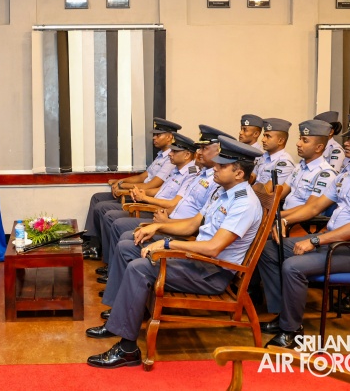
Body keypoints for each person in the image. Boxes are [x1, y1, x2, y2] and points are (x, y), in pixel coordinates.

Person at [85, 136, 263, 368]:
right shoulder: (222, 192)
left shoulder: (244, 203)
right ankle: (117, 320)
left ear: (239, 173)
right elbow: (191, 226)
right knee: (129, 246)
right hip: (198, 262)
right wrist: (158, 227)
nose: (215, 168)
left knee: (140, 267)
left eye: (222, 166)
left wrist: (167, 244)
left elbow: (213, 248)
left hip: (212, 272)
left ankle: (128, 349)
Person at [258, 115, 350, 349]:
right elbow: (314, 207)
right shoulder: (345, 175)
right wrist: (284, 220)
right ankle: (283, 316)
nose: (347, 142)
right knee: (268, 249)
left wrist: (315, 240)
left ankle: (292, 331)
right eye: (348, 138)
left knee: (293, 267)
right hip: (330, 242)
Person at [96, 125, 229, 300]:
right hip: (173, 224)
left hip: (195, 249)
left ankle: (118, 289)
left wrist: (165, 234)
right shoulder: (202, 176)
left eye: (204, 148)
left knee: (127, 238)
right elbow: (188, 214)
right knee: (127, 239)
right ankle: (117, 286)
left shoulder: (227, 192)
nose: (199, 153)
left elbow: (198, 231)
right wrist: (161, 221)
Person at [96, 133, 198, 275]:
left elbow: (173, 204)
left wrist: (144, 198)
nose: (170, 153)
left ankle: (114, 271)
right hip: (160, 213)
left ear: (186, 155)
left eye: (174, 151)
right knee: (115, 221)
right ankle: (114, 270)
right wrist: (140, 193)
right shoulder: (176, 169)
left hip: (163, 215)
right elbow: (159, 190)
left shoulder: (192, 174)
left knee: (117, 223)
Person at [82, 117, 180, 259]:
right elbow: (143, 177)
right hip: (142, 194)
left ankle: (106, 257)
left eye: (158, 135)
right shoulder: (161, 156)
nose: (154, 138)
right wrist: (122, 181)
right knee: (97, 198)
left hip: (147, 200)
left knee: (104, 209)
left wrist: (123, 186)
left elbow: (151, 185)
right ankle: (93, 244)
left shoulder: (171, 161)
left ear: (170, 137)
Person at [280, 120, 337, 217]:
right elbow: (280, 193)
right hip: (285, 215)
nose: (298, 143)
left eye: (305, 141)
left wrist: (277, 216)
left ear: (318, 147)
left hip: (301, 222)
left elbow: (310, 208)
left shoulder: (325, 174)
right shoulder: (299, 166)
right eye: (300, 139)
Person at [252, 118, 295, 186]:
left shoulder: (284, 162)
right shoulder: (264, 156)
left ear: (280, 141)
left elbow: (267, 190)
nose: (263, 140)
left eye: (268, 136)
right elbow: (251, 178)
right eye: (264, 136)